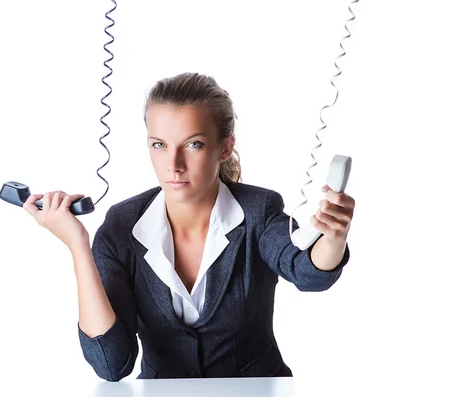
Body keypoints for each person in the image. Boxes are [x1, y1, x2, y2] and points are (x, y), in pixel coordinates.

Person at [23, 72, 355, 381]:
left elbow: (309, 273)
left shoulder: (258, 210)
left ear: (224, 147)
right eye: (159, 144)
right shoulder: (121, 226)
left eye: (193, 144)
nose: (174, 165)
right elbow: (111, 364)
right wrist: (79, 247)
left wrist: (333, 235)